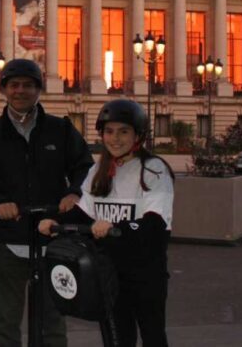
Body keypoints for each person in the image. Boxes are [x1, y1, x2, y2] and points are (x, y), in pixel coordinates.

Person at [0, 58, 93, 347]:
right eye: (14, 85)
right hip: (8, 239)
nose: (20, 91)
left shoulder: (59, 129)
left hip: (52, 237)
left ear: (38, 90)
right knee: (6, 321)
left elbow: (84, 166)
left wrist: (74, 193)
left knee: (54, 319)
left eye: (28, 85)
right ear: (4, 90)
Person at [39, 99, 174, 347]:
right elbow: (83, 212)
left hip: (145, 272)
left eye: (124, 131)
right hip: (109, 270)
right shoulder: (98, 170)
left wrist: (116, 228)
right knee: (118, 336)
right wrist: (54, 222)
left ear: (138, 135)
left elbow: (155, 223)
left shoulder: (153, 169)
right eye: (109, 131)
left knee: (153, 335)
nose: (116, 138)